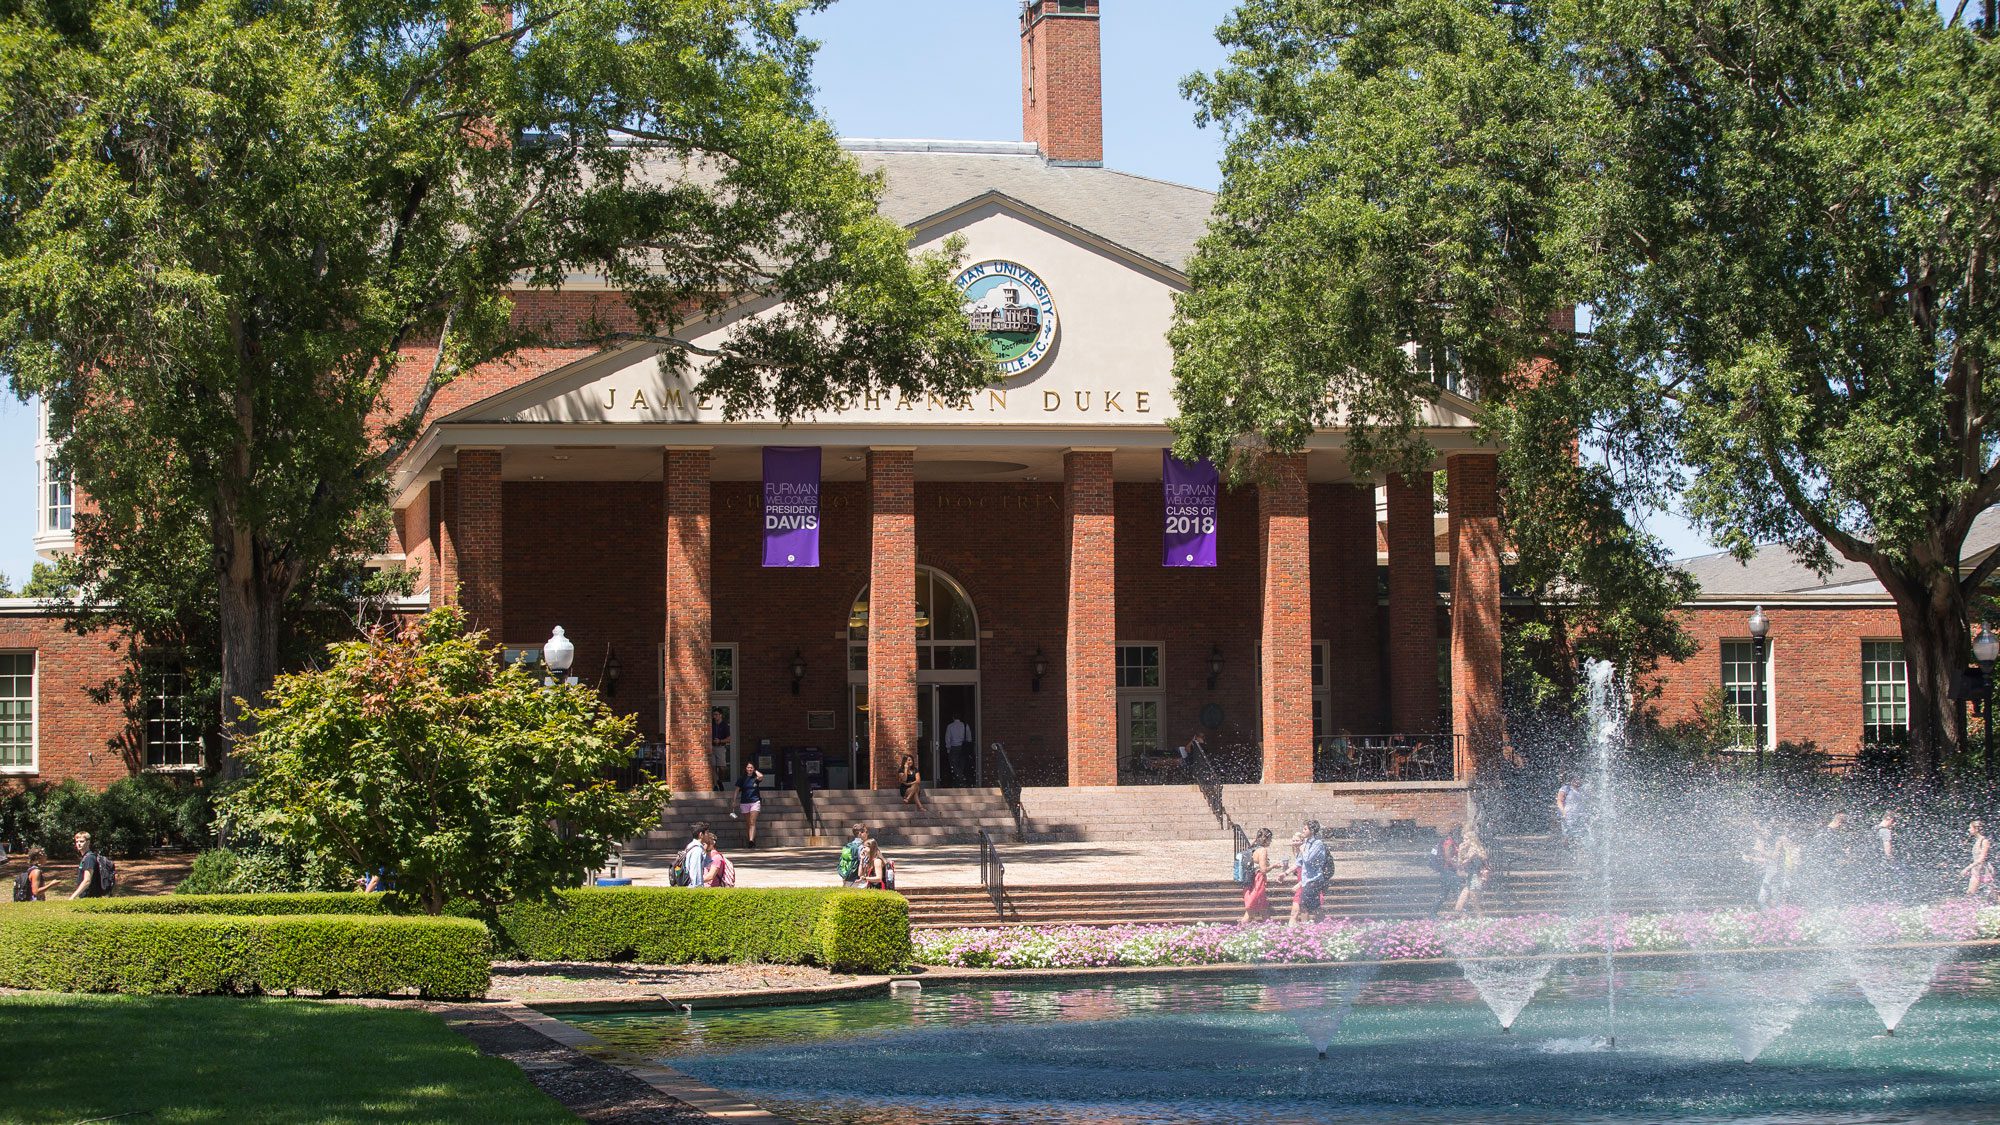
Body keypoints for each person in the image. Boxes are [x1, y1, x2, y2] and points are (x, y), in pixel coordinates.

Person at [1290, 821, 1329, 925]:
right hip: (1307, 880)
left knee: (1304, 904)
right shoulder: (1306, 843)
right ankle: (1322, 925)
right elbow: (1299, 861)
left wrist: (1302, 849)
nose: (1303, 830)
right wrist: (1285, 873)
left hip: (1314, 879)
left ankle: (1305, 927)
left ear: (1312, 831)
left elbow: (1308, 859)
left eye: (1305, 829)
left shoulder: (1317, 843)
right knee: (1315, 906)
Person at [1240, 828, 1274, 924]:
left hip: (1250, 880)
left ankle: (1270, 927)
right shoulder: (1262, 850)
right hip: (1258, 881)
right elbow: (1263, 870)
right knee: (1250, 911)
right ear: (1266, 839)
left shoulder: (1252, 849)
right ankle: (1239, 928)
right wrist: (1273, 866)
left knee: (1263, 907)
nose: (1271, 841)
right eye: (1270, 839)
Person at [1454, 828, 1491, 916]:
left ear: (1472, 840)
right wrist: (1460, 852)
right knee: (1458, 907)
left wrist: (1461, 852)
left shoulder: (1474, 851)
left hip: (1476, 879)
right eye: (1463, 839)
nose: (1464, 841)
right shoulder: (1466, 851)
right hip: (1469, 879)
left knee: (1476, 906)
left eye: (1466, 839)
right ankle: (1465, 919)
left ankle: (1481, 920)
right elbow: (1460, 866)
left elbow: (1463, 864)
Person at [1430, 823, 1463, 915]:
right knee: (1458, 892)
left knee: (1443, 894)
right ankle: (1463, 913)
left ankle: (1432, 913)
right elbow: (1448, 858)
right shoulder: (1449, 843)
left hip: (1447, 871)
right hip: (1448, 871)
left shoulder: (1451, 842)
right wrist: (1458, 866)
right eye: (1461, 832)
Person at [734, 762, 764, 847]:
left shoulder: (755, 778)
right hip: (745, 802)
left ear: (754, 769)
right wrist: (734, 801)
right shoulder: (742, 778)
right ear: (745, 768)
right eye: (748, 767)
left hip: (755, 801)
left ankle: (751, 841)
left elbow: (761, 776)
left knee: (752, 822)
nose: (749, 769)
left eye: (751, 767)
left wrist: (755, 771)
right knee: (748, 823)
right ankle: (750, 839)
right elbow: (737, 790)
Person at [1962, 820, 1994, 900]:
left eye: (1970, 828)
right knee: (1970, 894)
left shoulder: (1984, 841)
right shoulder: (1977, 841)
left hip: (1985, 870)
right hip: (1976, 871)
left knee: (1993, 895)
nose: (1969, 830)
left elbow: (1981, 859)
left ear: (1976, 829)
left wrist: (1967, 868)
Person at [68, 831, 104, 900]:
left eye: (82, 841)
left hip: (90, 897)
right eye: (77, 841)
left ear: (88, 842)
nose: (79, 844)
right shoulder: (85, 857)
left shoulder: (89, 858)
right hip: (86, 897)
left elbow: (87, 880)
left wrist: (72, 897)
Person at [1555, 776, 1586, 845]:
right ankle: (1565, 849)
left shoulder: (1583, 789)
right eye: (1575, 779)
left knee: (1580, 836)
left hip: (1581, 816)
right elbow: (1559, 801)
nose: (1577, 781)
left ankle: (1579, 850)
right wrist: (1563, 811)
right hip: (1568, 816)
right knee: (1568, 836)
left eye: (1579, 779)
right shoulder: (1566, 788)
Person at [677, 822, 709, 888]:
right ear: (701, 835)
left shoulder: (690, 846)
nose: (708, 836)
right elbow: (696, 872)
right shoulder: (697, 850)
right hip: (693, 888)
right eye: (707, 833)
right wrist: (698, 888)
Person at [944, 715, 974, 787]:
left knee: (953, 764)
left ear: (953, 717)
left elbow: (947, 738)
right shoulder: (965, 725)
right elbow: (969, 738)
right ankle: (960, 781)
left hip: (954, 747)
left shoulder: (950, 726)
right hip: (963, 748)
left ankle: (961, 779)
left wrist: (948, 748)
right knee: (961, 764)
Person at [709, 708, 731, 790]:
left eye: (716, 715)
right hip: (711, 747)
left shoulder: (724, 725)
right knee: (713, 767)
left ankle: (719, 780)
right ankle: (715, 786)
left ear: (720, 715)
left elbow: (729, 739)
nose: (714, 716)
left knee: (722, 767)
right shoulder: (711, 723)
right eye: (714, 715)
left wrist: (720, 741)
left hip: (720, 748)